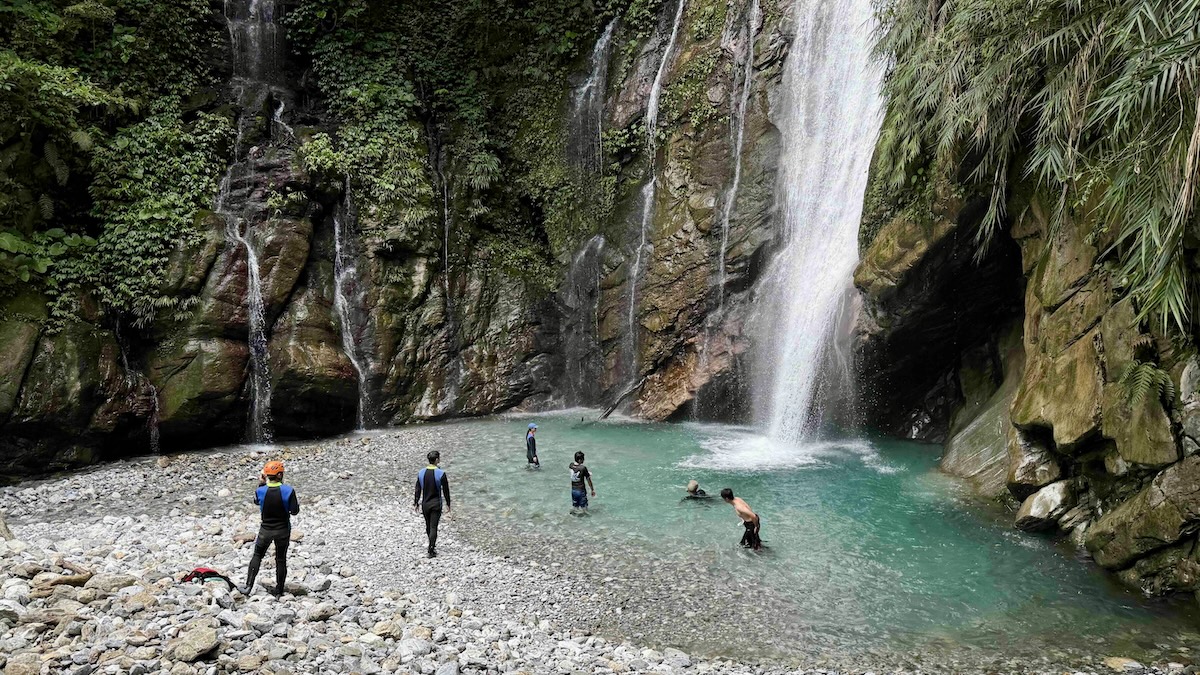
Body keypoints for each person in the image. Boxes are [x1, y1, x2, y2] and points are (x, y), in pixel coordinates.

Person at [245, 460, 300, 596]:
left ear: (266, 475)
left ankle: (248, 586)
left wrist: (261, 483)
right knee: (281, 559)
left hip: (265, 530)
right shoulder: (288, 490)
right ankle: (279, 590)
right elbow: (294, 511)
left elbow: (256, 501)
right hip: (282, 530)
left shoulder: (260, 491)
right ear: (280, 475)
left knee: (257, 555)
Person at [413, 450, 451, 558]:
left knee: (428, 526)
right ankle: (431, 548)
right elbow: (446, 490)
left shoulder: (421, 472)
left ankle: (431, 544)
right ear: (437, 460)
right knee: (434, 526)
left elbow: (418, 489)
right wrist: (448, 503)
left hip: (425, 504)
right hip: (436, 504)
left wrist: (416, 502)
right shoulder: (441, 473)